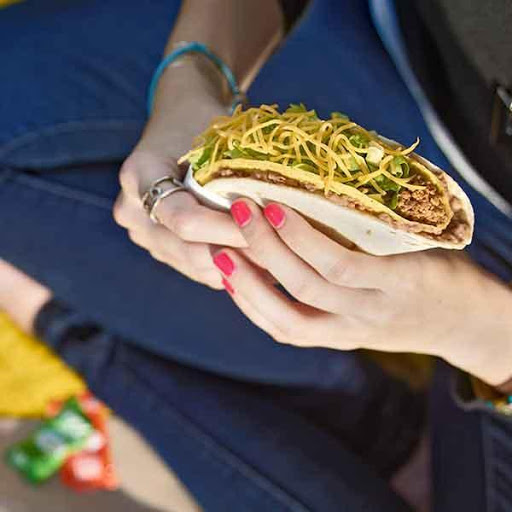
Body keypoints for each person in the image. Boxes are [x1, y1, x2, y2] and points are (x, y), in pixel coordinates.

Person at [1, 0, 511, 510]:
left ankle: (72, 329)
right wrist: (194, 76)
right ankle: (381, 430)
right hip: (382, 41)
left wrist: (474, 330)